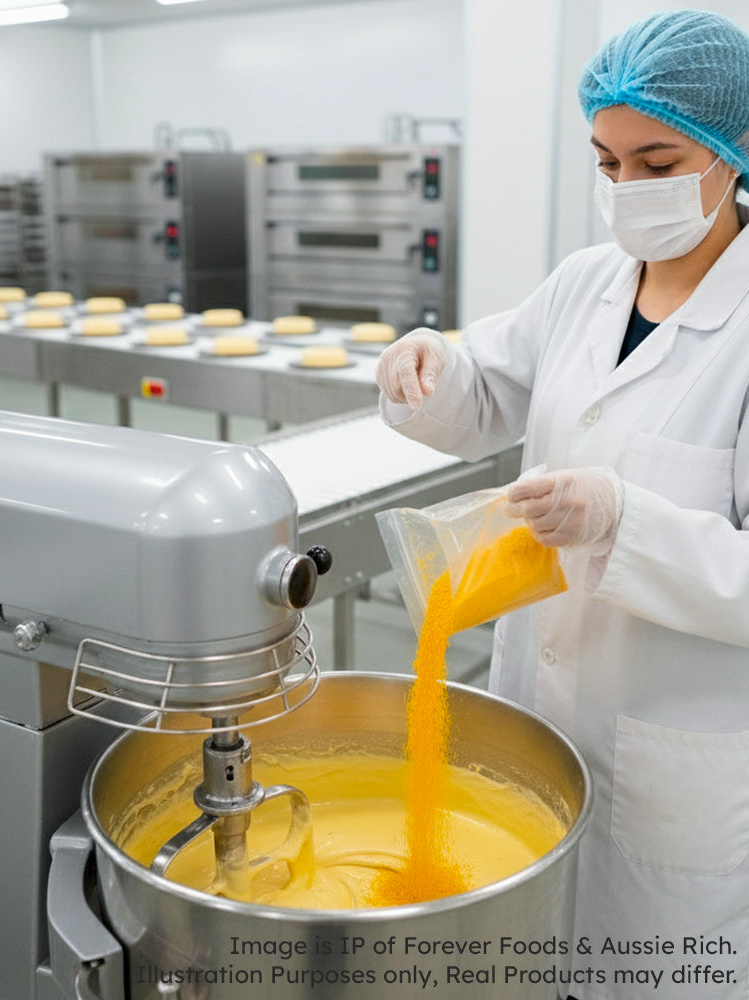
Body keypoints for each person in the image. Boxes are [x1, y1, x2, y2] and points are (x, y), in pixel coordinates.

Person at [376, 10, 749, 1000]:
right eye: (605, 159)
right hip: (539, 715)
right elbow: (484, 393)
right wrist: (427, 366)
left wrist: (620, 523)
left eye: (654, 159)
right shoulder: (586, 283)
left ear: (732, 149)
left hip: (676, 752)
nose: (625, 187)